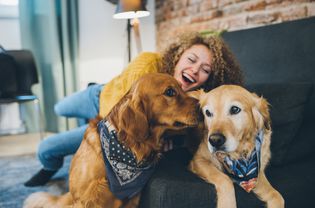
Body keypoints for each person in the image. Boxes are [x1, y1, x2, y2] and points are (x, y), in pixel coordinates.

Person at [24, 32, 243, 187]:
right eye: (191, 59)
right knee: (59, 107)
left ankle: (49, 167)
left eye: (205, 69)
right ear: (178, 56)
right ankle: (90, 94)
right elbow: (119, 116)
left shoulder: (196, 101)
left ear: (209, 78)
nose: (195, 70)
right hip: (104, 98)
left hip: (112, 125)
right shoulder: (148, 63)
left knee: (47, 148)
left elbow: (181, 130)